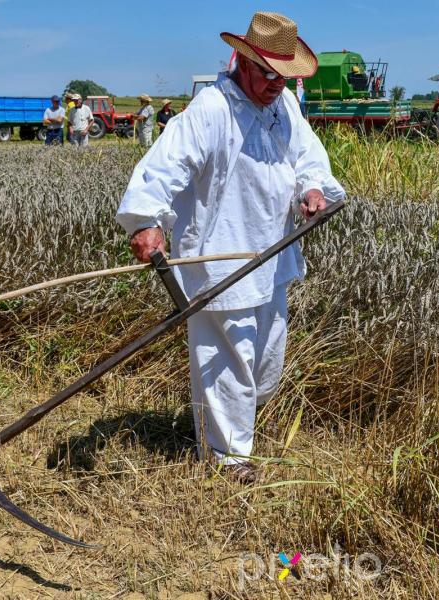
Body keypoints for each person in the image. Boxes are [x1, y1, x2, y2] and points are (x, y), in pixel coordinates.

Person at [115, 11, 345, 483]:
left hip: (272, 257)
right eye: (268, 73)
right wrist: (147, 221)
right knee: (227, 362)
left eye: (284, 76)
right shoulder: (211, 110)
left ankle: (230, 433)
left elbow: (309, 158)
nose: (276, 83)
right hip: (219, 259)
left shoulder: (286, 108)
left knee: (264, 368)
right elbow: (165, 165)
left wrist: (314, 190)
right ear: (243, 60)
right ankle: (227, 463)